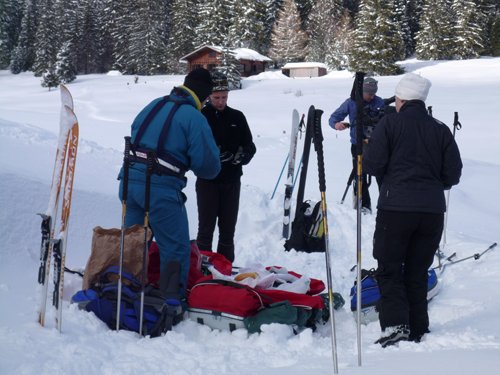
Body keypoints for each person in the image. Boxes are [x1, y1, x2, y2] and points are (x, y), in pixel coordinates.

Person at [364, 73, 463, 347]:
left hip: (396, 208)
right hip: (431, 211)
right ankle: (418, 327)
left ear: (401, 98)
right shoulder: (440, 128)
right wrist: (432, 185)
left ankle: (396, 327)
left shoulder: (390, 123)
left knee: (390, 268)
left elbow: (372, 165)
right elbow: (453, 174)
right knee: (418, 269)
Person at [119, 68, 221, 297]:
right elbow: (208, 167)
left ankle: (124, 293)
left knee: (133, 244)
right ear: (204, 96)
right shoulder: (194, 117)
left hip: (129, 183)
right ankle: (171, 302)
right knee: (174, 248)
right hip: (161, 189)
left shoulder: (153, 105)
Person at [196, 73, 256, 262]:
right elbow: (193, 148)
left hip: (232, 180)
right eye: (216, 98)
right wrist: (213, 156)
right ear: (209, 97)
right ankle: (201, 267)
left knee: (228, 228)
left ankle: (225, 267)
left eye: (224, 97)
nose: (221, 102)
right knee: (206, 228)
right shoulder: (200, 117)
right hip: (208, 181)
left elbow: (250, 145)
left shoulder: (237, 117)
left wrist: (242, 156)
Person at [329, 77, 385, 213]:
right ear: (362, 91)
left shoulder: (380, 102)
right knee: (360, 175)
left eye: (373, 94)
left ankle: (384, 204)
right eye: (369, 94)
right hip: (358, 145)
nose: (371, 97)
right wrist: (337, 125)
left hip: (378, 145)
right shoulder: (351, 103)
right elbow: (333, 118)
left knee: (382, 175)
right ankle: (364, 206)